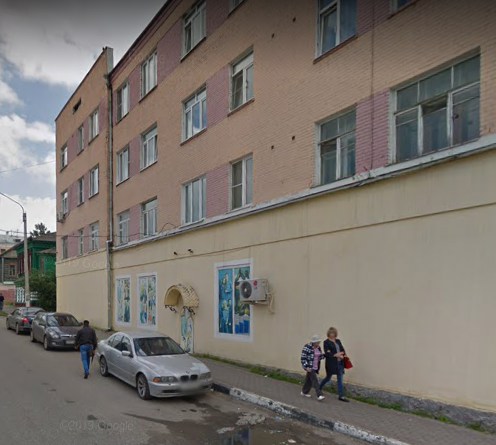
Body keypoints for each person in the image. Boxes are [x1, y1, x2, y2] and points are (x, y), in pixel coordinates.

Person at [319, 327, 349, 402]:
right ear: (328, 334)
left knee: (340, 379)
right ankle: (319, 388)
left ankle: (341, 396)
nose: (332, 334)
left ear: (335, 333)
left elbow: (342, 349)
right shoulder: (326, 342)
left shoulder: (338, 341)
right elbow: (327, 353)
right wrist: (336, 355)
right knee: (328, 378)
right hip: (331, 363)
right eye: (331, 333)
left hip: (340, 363)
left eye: (333, 333)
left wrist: (342, 354)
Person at [300, 335, 325, 401]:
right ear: (314, 342)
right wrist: (306, 367)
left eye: (319, 342)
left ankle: (304, 392)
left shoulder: (318, 348)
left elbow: (319, 356)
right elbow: (303, 357)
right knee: (315, 380)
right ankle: (319, 395)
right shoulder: (307, 347)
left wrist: (324, 355)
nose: (318, 343)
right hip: (310, 367)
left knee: (309, 381)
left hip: (315, 366)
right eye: (317, 342)